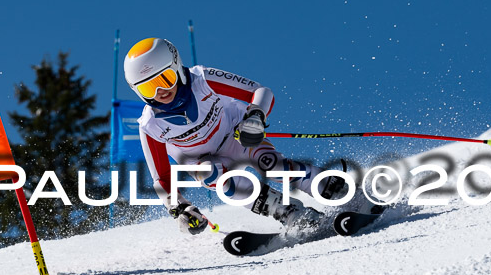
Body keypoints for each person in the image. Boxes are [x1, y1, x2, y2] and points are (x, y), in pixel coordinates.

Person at [124, 38, 346, 235]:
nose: (159, 92)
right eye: (147, 88)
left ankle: (333, 187)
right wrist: (180, 208)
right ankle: (290, 213)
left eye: (165, 79)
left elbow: (261, 92)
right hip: (207, 163)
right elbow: (162, 178)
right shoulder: (150, 125)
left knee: (270, 165)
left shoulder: (202, 80)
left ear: (177, 68)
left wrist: (255, 118)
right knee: (214, 178)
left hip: (237, 136)